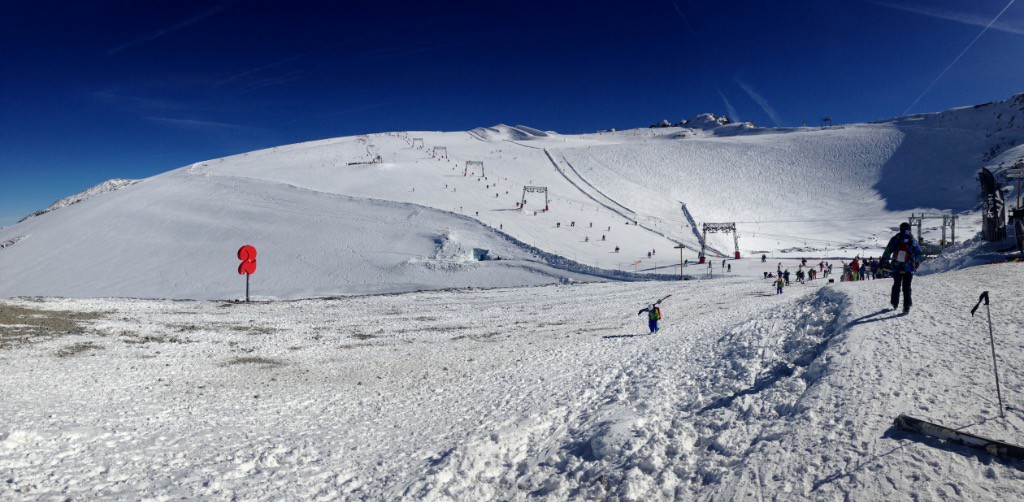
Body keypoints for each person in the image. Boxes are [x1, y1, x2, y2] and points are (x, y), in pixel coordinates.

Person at [880, 222, 924, 313]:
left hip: (896, 267)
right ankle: (907, 306)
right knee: (907, 286)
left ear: (900, 229)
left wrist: (884, 261)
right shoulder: (912, 240)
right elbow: (919, 253)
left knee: (896, 284)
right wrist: (916, 265)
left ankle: (894, 303)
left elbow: (888, 250)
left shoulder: (895, 239)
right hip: (909, 268)